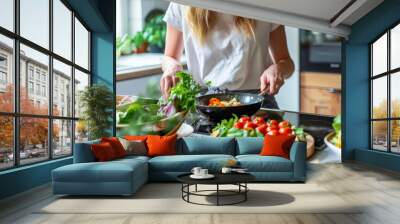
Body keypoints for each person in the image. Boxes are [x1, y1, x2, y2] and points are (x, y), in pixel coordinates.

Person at [160, 3, 294, 109]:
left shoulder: (268, 4)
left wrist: (277, 69)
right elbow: (169, 57)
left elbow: (286, 62)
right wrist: (172, 67)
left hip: (257, 102)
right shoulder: (183, 5)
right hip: (203, 104)